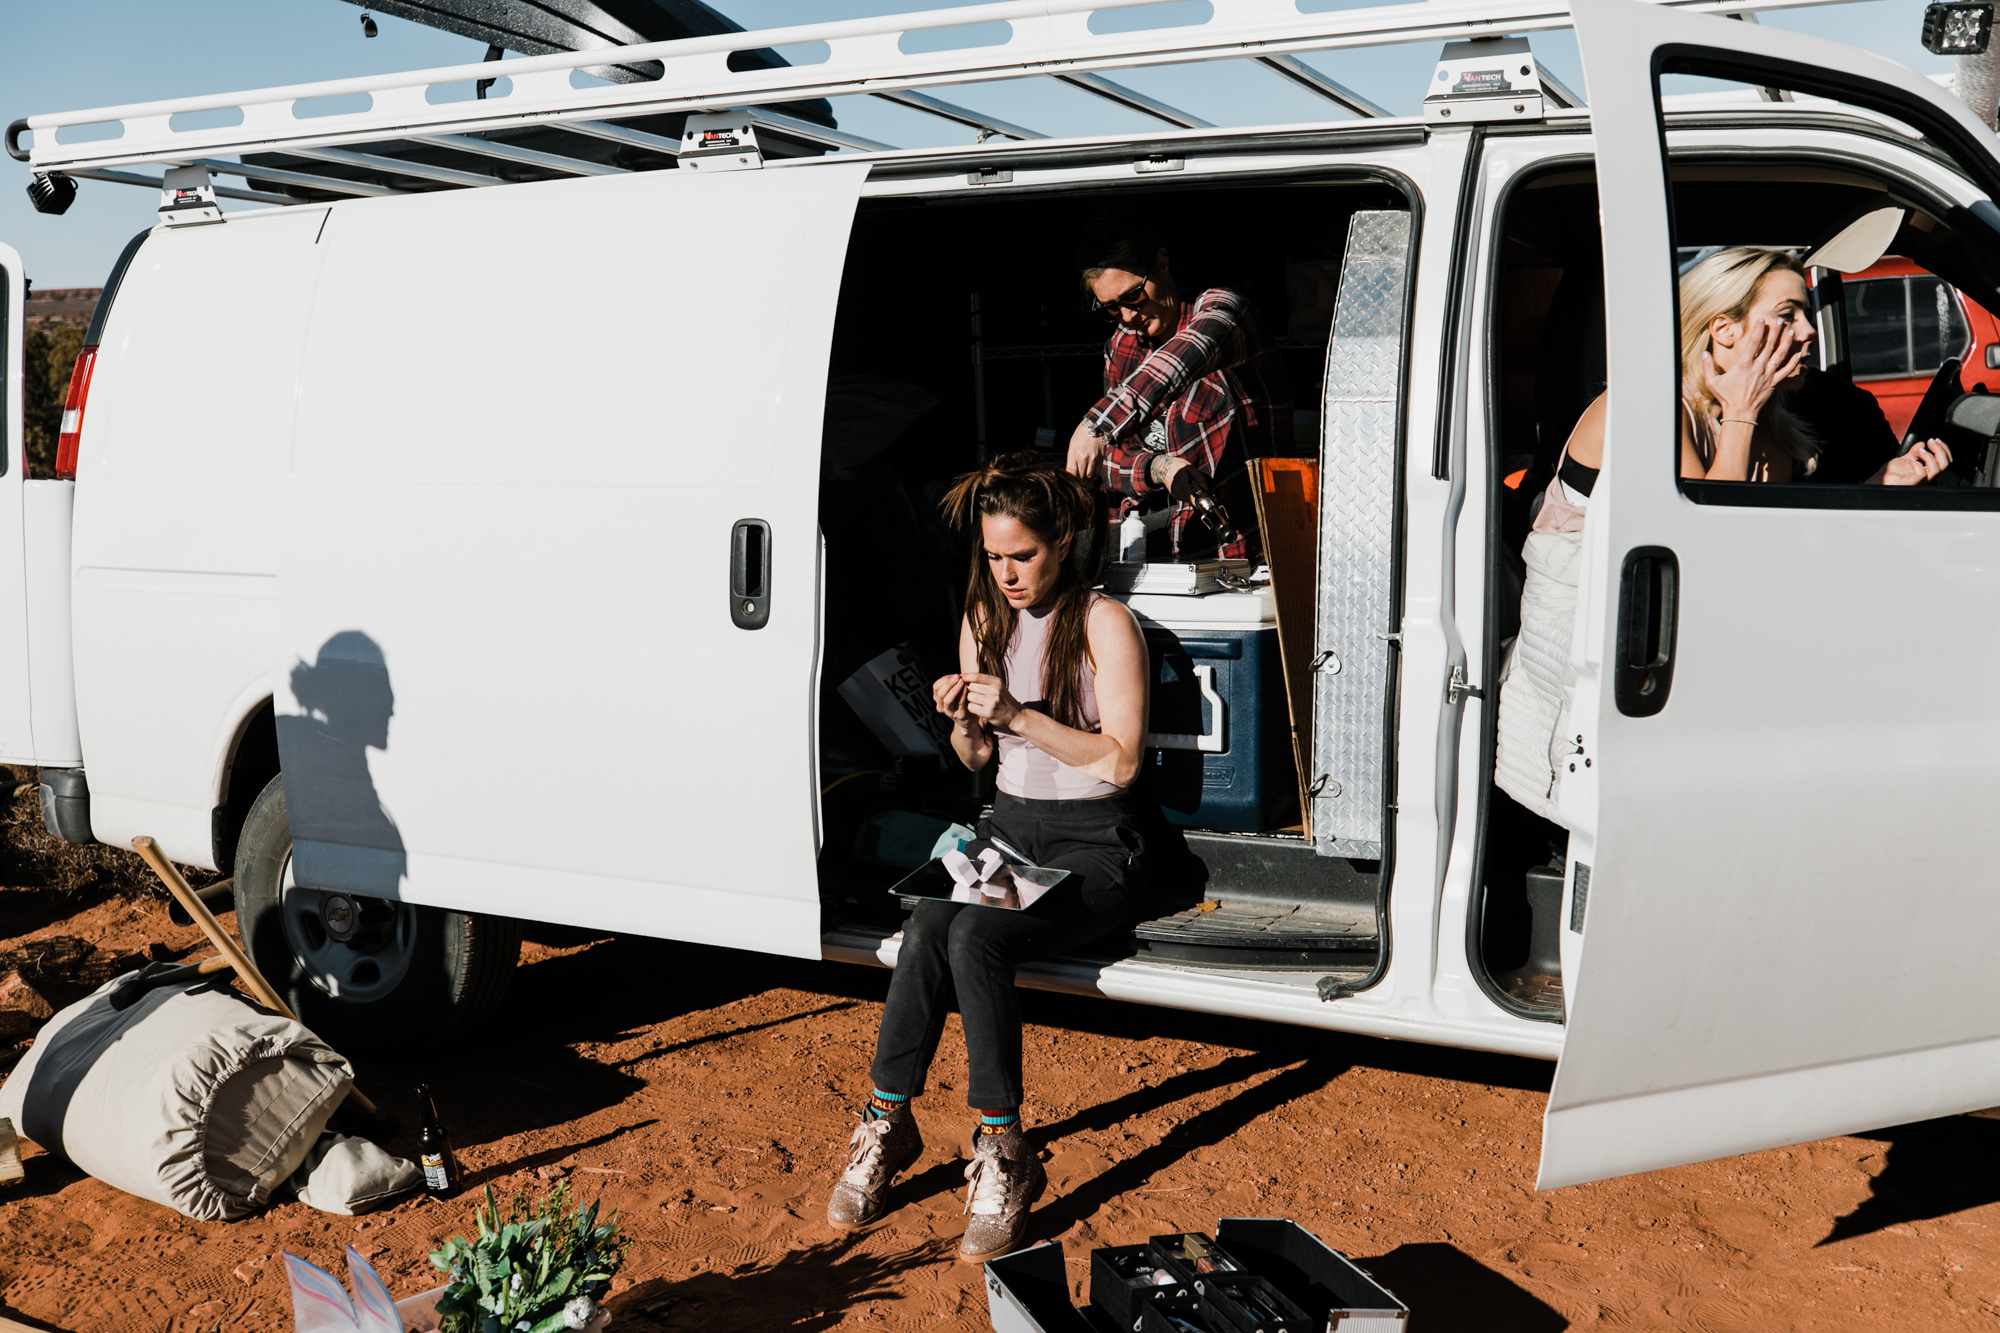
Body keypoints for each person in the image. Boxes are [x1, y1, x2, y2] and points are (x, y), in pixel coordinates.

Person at [825, 452, 1158, 1263]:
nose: (1007, 574)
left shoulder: (1105, 621)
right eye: (994, 556)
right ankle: (887, 1119)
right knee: (933, 915)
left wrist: (1018, 711)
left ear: (1065, 541)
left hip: (1093, 846)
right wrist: (966, 724)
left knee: (977, 935)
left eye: (1024, 555)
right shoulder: (984, 613)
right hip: (1009, 829)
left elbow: (1119, 762)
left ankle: (1004, 1149)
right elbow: (978, 760)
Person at [1495, 246, 1953, 822]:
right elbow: (1702, 557)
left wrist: (1877, 484)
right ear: (1722, 329)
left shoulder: (1771, 426)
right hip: (1584, 675)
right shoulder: (1645, 407)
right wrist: (1741, 412)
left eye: (1806, 312)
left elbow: (1768, 558)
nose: (1808, 331)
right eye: (1787, 314)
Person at [1066, 233, 1285, 561]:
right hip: (1151, 557)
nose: (1127, 317)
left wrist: (1097, 425)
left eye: (1134, 296)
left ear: (1163, 264)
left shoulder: (1224, 309)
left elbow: (1180, 360)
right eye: (1112, 308)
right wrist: (1158, 468)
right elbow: (1109, 460)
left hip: (1240, 554)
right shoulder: (1120, 345)